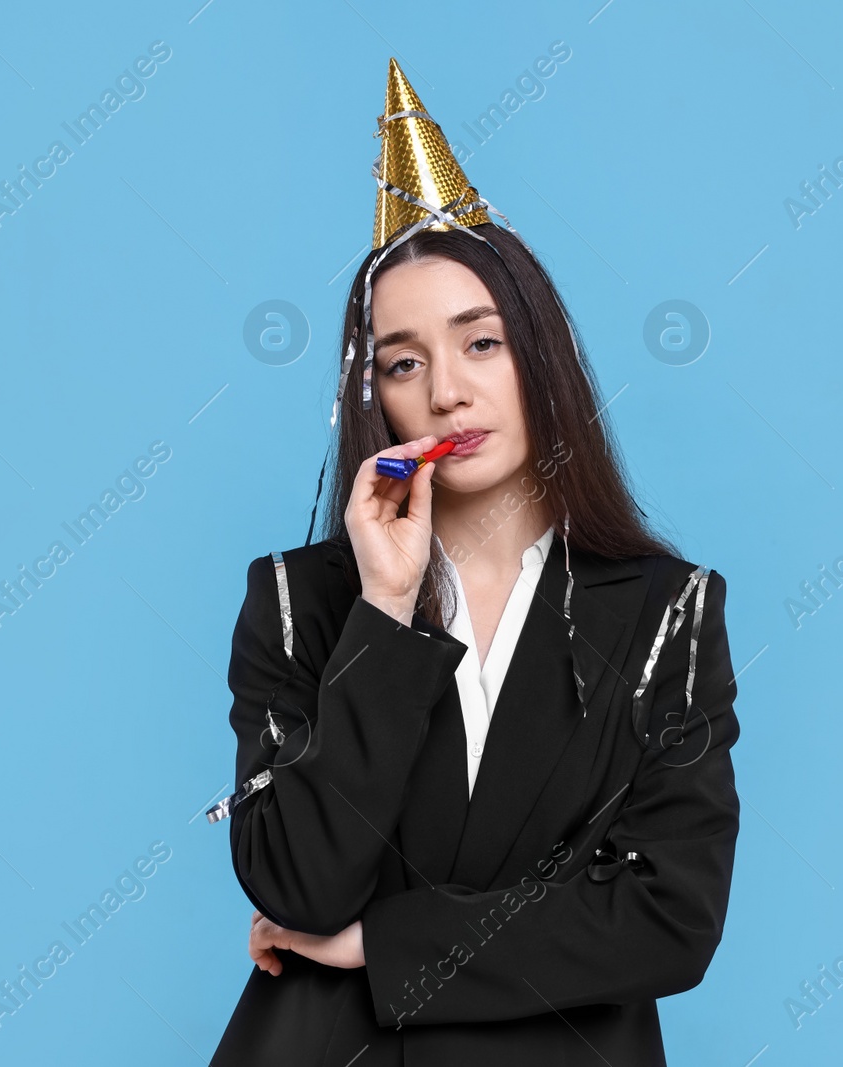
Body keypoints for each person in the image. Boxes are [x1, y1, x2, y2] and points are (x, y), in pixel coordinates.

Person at [208, 59, 739, 1067]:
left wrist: (379, 945)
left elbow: (668, 915)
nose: (447, 390)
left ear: (541, 357)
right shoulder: (299, 601)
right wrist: (385, 603)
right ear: (377, 399)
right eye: (403, 362)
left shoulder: (668, 613)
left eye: (481, 343)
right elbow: (296, 884)